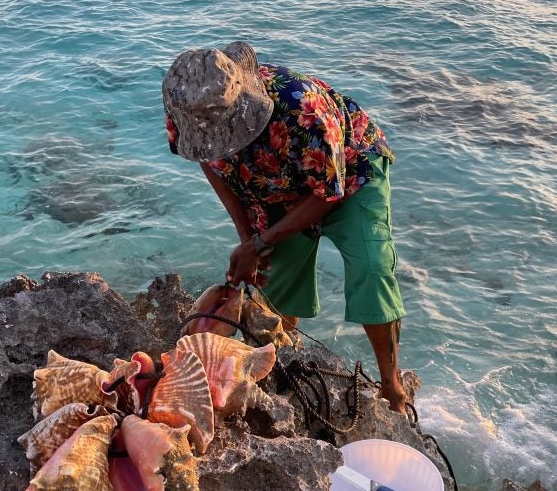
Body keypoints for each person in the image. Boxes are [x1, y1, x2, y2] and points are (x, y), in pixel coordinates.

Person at [163, 41, 408, 413]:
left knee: (371, 267)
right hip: (270, 186)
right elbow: (211, 167)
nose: (215, 143)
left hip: (349, 173)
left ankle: (392, 384)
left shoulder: (301, 108)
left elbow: (328, 193)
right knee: (276, 285)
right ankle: (283, 364)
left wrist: (261, 240)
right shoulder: (187, 111)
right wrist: (250, 242)